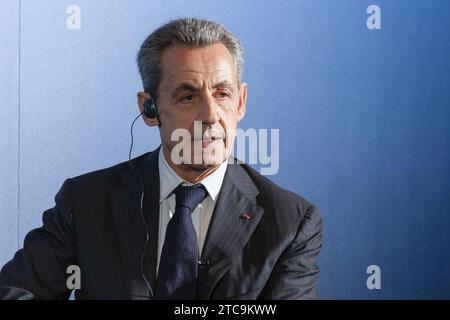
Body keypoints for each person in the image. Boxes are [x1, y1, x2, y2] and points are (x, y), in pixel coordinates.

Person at [0, 18, 323, 300]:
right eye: (188, 96)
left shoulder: (291, 222)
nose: (210, 116)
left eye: (222, 94)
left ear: (240, 103)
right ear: (149, 108)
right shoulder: (84, 201)